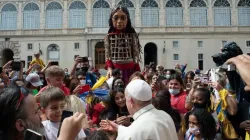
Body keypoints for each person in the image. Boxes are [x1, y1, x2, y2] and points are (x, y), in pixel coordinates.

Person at [100, 79, 178, 140]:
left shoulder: (133, 132)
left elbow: (133, 133)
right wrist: (118, 128)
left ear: (131, 101)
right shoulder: (165, 116)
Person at [105, 6, 141, 84]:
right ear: (111, 19)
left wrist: (138, 71)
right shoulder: (109, 36)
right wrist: (110, 68)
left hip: (130, 71)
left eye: (123, 18)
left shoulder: (132, 35)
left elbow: (135, 56)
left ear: (127, 19)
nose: (119, 21)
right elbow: (108, 55)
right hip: (115, 71)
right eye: (116, 18)